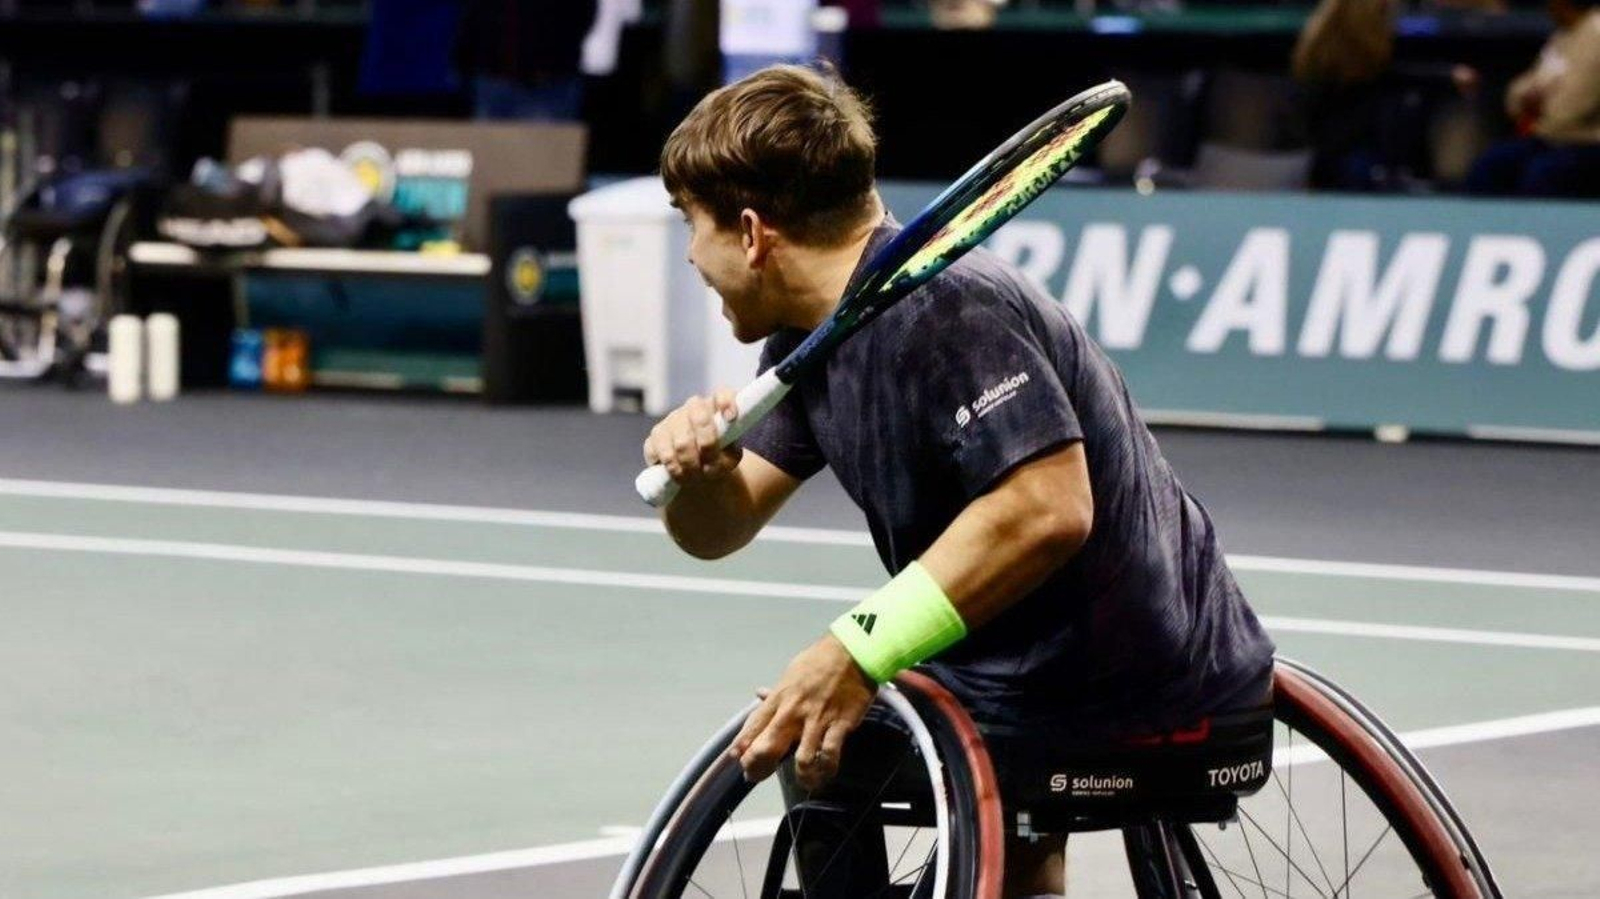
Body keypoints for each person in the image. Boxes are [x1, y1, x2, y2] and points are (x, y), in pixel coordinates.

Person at [644, 65, 1275, 897]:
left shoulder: (949, 310)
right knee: (815, 732)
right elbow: (721, 528)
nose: (693, 253)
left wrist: (856, 648)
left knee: (829, 715)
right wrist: (701, 477)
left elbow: (1048, 509)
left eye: (691, 224)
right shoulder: (812, 338)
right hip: (1021, 681)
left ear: (754, 233)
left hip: (1141, 687)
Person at [1465, 0, 1600, 197]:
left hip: (1588, 143)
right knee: (1492, 163)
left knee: (1542, 172)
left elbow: (1571, 109)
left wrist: (1537, 108)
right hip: (1552, 139)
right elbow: (1519, 91)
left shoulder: (1596, 34)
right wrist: (1531, 102)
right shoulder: (1563, 34)